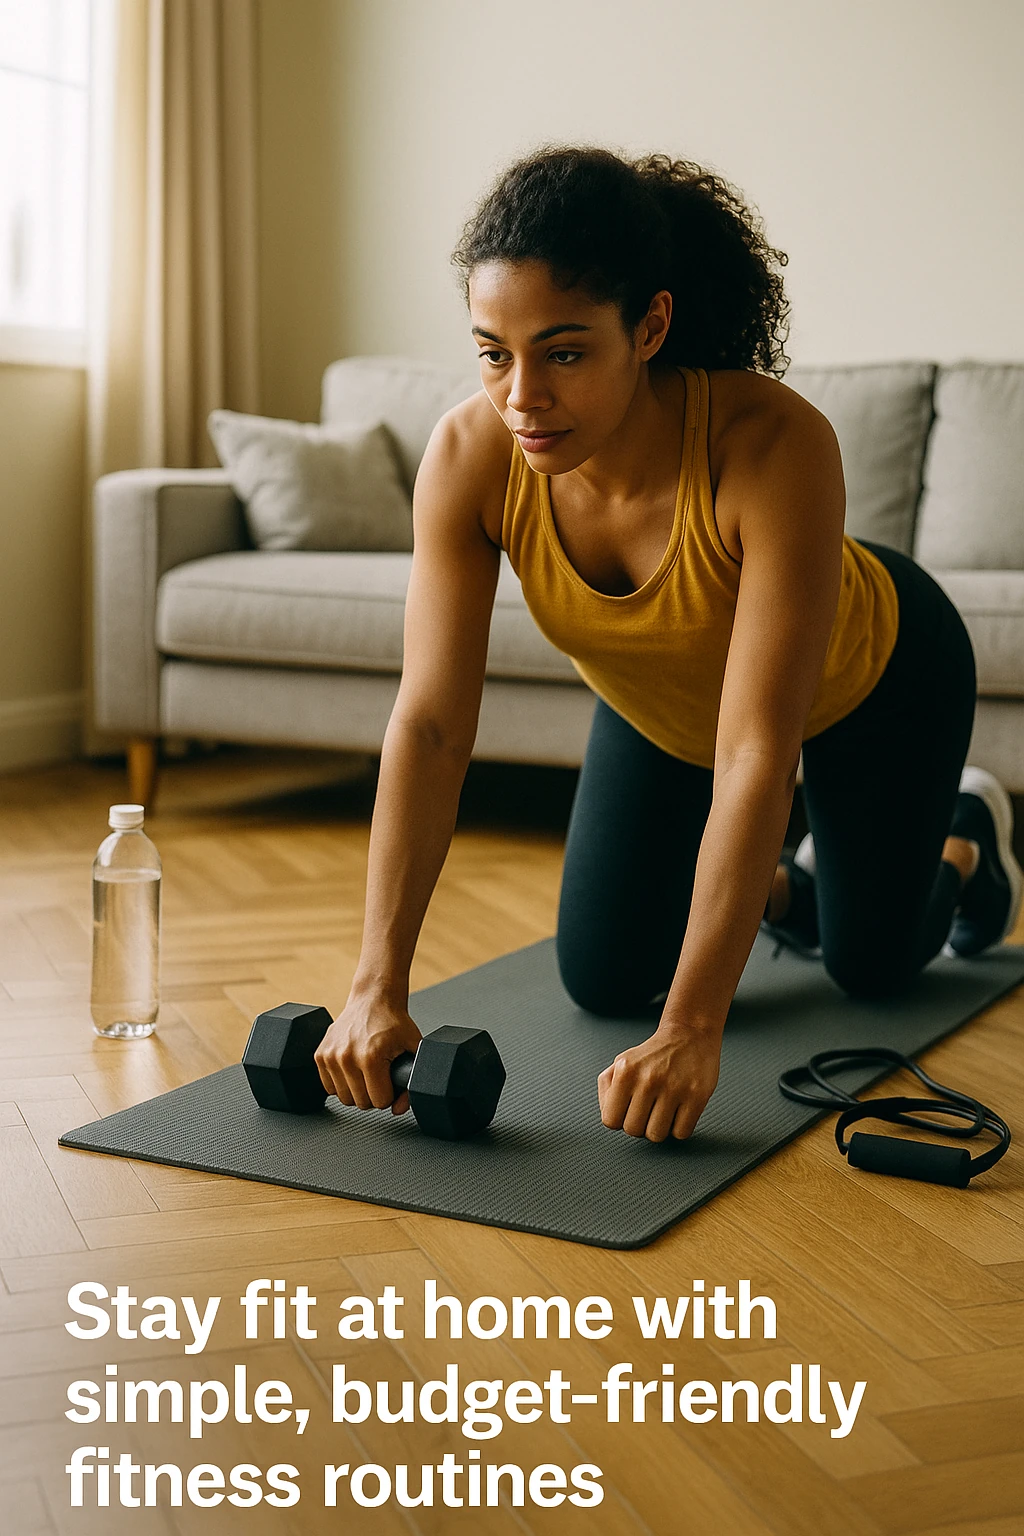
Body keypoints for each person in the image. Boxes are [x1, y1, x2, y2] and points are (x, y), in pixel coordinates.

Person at [314, 145, 1022, 1143]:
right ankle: (797, 884)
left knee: (873, 967)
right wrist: (372, 987)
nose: (520, 396)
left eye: (562, 353)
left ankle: (962, 841)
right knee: (603, 977)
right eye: (491, 353)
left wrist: (694, 1026)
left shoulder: (772, 446)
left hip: (875, 682)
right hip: (661, 703)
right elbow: (430, 726)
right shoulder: (470, 456)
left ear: (648, 326)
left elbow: (755, 753)